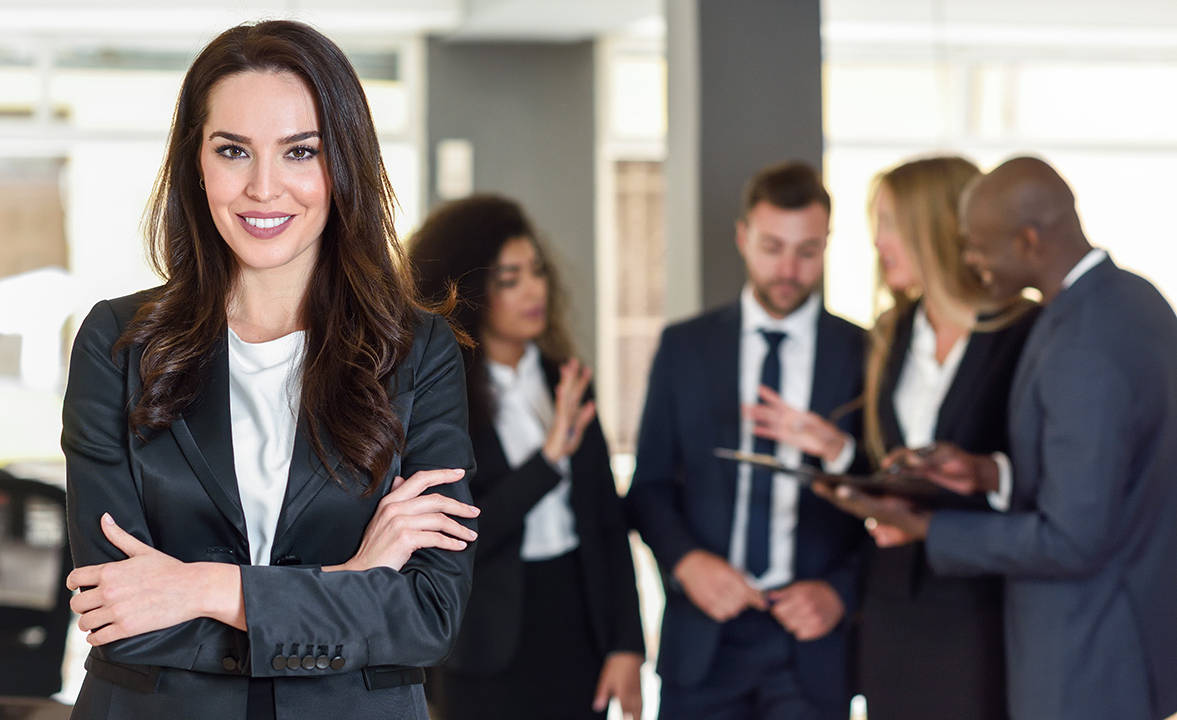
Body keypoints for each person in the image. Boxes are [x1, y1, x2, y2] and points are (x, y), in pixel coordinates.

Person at [60, 20, 478, 720]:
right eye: (233, 150)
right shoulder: (118, 342)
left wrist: (202, 588)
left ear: (342, 163)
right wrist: (353, 580)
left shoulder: (418, 353)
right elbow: (119, 613)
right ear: (196, 162)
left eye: (299, 152)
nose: (263, 187)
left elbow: (427, 614)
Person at [833, 157, 1177, 720]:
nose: (970, 260)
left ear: (1028, 241)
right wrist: (988, 473)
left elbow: (1072, 540)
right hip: (1124, 637)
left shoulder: (1079, 343)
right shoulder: (1133, 301)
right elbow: (1107, 472)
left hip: (1084, 652)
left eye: (978, 246)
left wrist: (925, 526)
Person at [754, 156, 1039, 720]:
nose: (879, 244)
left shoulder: (1021, 331)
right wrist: (836, 452)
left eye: (889, 225)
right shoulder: (890, 333)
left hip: (982, 609)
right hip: (892, 612)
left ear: (935, 229)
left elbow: (1036, 477)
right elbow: (893, 468)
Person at [627, 161, 867, 720]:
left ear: (828, 244)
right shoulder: (684, 348)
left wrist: (840, 593)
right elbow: (649, 488)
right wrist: (687, 563)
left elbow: (887, 500)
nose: (788, 268)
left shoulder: (865, 353)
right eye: (772, 247)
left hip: (812, 644)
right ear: (742, 238)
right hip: (704, 640)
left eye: (807, 251)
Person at [407, 195, 646, 720]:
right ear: (470, 289)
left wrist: (627, 642)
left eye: (536, 271)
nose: (534, 289)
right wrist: (548, 460)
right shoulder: (442, 398)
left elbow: (608, 523)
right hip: (484, 642)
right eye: (509, 278)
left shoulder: (569, 382)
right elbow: (456, 533)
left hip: (578, 626)